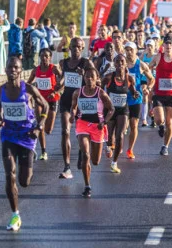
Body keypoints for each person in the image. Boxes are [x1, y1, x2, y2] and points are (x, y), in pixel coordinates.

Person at [0, 56, 47, 231]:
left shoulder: (29, 89)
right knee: (10, 174)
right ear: (6, 70)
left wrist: (39, 127)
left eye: (16, 67)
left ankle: (32, 155)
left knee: (24, 182)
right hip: (8, 135)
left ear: (20, 70)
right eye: (10, 67)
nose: (13, 70)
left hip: (26, 136)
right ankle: (15, 214)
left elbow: (45, 106)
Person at [70, 68, 113, 197]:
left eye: (92, 77)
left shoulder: (101, 94)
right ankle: (87, 185)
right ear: (84, 78)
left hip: (97, 127)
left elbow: (111, 109)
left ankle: (84, 151)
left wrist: (104, 122)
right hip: (82, 124)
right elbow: (73, 108)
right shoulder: (78, 92)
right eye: (87, 77)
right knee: (86, 155)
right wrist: (72, 115)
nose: (89, 79)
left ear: (96, 78)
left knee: (95, 161)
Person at [57, 37, 96, 179]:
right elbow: (64, 78)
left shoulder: (86, 63)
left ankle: (82, 152)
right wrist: (58, 85)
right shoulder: (64, 62)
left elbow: (97, 80)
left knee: (82, 133)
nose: (75, 49)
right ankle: (67, 167)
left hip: (82, 103)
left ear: (82, 48)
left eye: (78, 47)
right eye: (73, 46)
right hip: (67, 100)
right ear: (69, 48)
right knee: (65, 131)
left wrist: (84, 75)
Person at [148, 33, 172, 156]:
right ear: (163, 45)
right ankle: (160, 125)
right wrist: (151, 80)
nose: (168, 46)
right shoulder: (157, 57)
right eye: (166, 43)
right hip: (159, 94)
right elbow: (148, 69)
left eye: (171, 44)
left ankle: (165, 146)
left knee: (170, 122)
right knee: (160, 119)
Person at [102, 54, 139, 173]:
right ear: (114, 63)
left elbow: (133, 91)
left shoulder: (129, 79)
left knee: (120, 135)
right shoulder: (108, 77)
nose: (120, 64)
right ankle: (108, 146)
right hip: (110, 110)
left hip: (123, 109)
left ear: (125, 63)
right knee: (110, 137)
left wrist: (136, 94)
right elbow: (99, 90)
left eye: (122, 61)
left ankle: (114, 163)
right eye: (117, 62)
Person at [27, 48, 62, 161]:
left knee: (48, 130)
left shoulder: (54, 69)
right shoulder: (35, 70)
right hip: (40, 100)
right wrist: (28, 94)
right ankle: (43, 151)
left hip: (52, 100)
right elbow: (28, 84)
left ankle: (39, 130)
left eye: (47, 56)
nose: (44, 58)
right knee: (40, 124)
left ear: (50, 57)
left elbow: (63, 80)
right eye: (42, 56)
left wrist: (55, 92)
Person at [124, 42, 154, 159]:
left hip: (136, 98)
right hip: (123, 98)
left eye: (131, 50)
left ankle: (130, 149)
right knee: (123, 125)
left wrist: (148, 88)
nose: (128, 52)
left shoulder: (141, 65)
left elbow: (151, 79)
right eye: (126, 50)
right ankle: (118, 144)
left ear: (136, 50)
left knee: (134, 125)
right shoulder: (121, 63)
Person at [140, 39, 158, 127]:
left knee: (152, 99)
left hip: (152, 79)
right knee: (145, 96)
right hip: (144, 78)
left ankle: (153, 118)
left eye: (151, 46)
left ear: (154, 47)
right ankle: (144, 119)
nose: (149, 48)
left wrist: (153, 67)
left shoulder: (156, 56)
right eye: (148, 46)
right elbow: (137, 64)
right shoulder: (143, 55)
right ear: (146, 46)